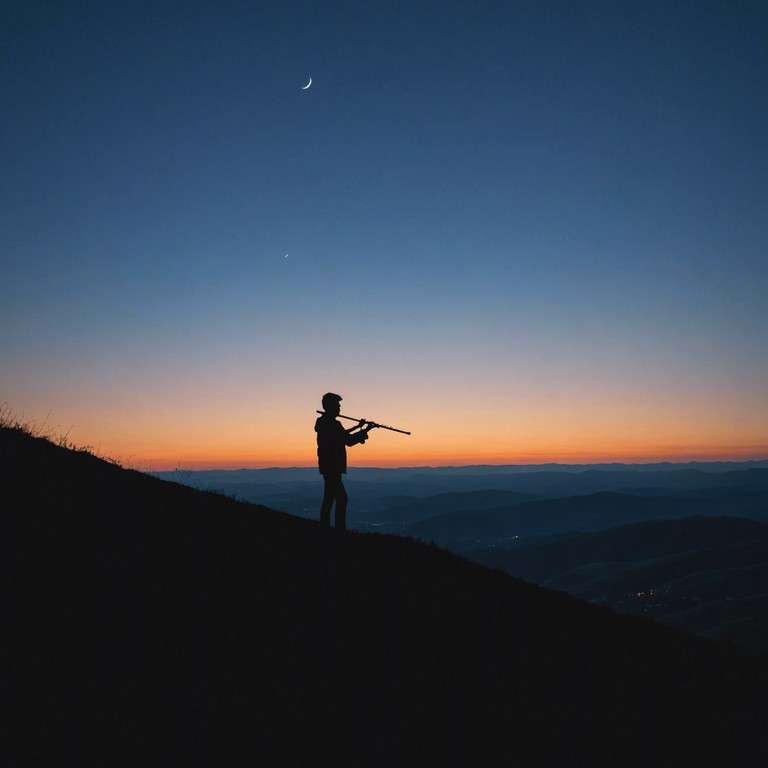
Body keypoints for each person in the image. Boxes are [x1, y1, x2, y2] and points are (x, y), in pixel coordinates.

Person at [315, 392, 376, 531]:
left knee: (329, 498)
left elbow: (342, 435)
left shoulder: (325, 422)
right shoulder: (332, 423)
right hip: (332, 466)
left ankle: (325, 528)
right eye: (337, 405)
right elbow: (348, 440)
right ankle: (339, 531)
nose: (339, 408)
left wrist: (359, 427)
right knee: (341, 499)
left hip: (327, 466)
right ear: (330, 406)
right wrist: (366, 430)